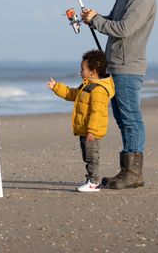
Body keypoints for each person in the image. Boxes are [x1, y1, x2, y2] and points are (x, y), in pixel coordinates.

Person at [81, 0, 156, 190]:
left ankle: (134, 173)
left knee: (131, 118)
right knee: (123, 120)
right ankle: (127, 171)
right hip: (115, 65)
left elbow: (123, 29)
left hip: (128, 66)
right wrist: (92, 17)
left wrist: (97, 21)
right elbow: (111, 21)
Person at [47, 49, 115, 193]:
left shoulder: (99, 90)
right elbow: (72, 94)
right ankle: (90, 179)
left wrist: (92, 131)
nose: (80, 71)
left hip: (91, 131)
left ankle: (93, 182)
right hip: (84, 129)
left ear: (93, 71)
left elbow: (97, 112)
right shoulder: (86, 85)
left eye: (83, 68)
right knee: (87, 155)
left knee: (92, 156)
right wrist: (57, 87)